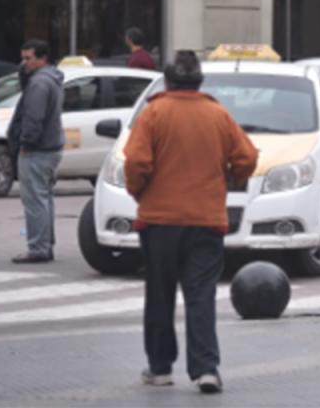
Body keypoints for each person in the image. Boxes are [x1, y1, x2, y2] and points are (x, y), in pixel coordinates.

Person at [124, 50, 257, 394]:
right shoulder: (218, 114)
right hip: (205, 220)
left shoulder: (154, 113)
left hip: (159, 221)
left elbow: (137, 162)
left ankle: (160, 367)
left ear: (167, 80)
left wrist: (140, 193)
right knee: (201, 295)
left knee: (159, 294)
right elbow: (247, 157)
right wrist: (229, 179)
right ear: (199, 81)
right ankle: (206, 368)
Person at [6, 39, 65, 263]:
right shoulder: (51, 78)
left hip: (37, 150)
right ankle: (45, 244)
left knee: (35, 201)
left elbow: (33, 118)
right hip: (50, 147)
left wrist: (26, 144)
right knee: (44, 198)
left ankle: (38, 248)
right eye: (23, 58)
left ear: (43, 58)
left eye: (28, 58)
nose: (24, 63)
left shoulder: (40, 84)